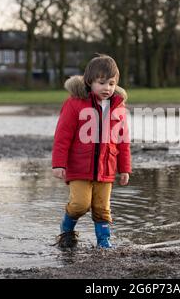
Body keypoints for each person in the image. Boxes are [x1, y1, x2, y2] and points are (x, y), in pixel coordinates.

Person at [51, 54, 131, 249]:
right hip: (79, 167)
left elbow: (123, 142)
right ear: (89, 82)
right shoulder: (75, 103)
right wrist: (59, 164)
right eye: (101, 83)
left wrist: (125, 168)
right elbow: (62, 136)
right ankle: (67, 228)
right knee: (80, 204)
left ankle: (104, 242)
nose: (107, 88)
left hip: (107, 168)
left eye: (111, 83)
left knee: (102, 208)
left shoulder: (118, 107)